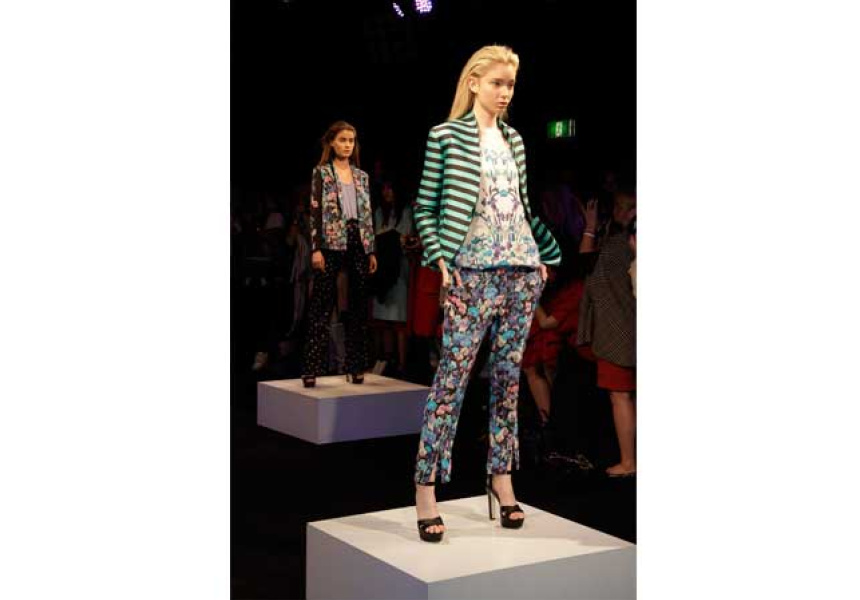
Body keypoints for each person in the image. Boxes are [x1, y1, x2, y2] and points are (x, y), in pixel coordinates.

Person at [411, 45, 561, 542]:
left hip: (521, 269)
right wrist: (440, 256)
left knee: (508, 380)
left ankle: (502, 478)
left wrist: (540, 254)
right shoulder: (445, 136)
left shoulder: (515, 139)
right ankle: (426, 487)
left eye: (510, 85)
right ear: (473, 82)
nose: (505, 92)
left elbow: (518, 203)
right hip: (470, 271)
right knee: (451, 380)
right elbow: (425, 206)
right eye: (497, 83)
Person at [301, 121, 378, 388]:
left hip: (358, 239)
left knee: (358, 306)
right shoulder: (321, 173)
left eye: (351, 140)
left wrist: (370, 249)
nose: (347, 145)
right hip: (331, 240)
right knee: (322, 304)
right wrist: (316, 248)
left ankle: (355, 366)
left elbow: (367, 214)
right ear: (332, 142)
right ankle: (312, 368)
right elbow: (315, 211)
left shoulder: (362, 176)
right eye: (343, 140)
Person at [576, 190, 637, 478]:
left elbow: (588, 266)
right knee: (623, 395)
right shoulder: (617, 241)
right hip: (620, 330)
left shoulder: (621, 245)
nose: (623, 211)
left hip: (621, 331)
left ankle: (629, 462)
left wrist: (590, 229)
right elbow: (586, 264)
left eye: (630, 207)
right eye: (620, 206)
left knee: (621, 395)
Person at [371, 180, 415, 377]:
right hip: (381, 269)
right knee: (383, 319)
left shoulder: (405, 211)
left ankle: (402, 364)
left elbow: (403, 237)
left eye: (390, 187)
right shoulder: (380, 212)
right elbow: (376, 236)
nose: (386, 192)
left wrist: (389, 237)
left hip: (399, 269)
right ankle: (386, 359)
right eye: (384, 188)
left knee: (399, 319)